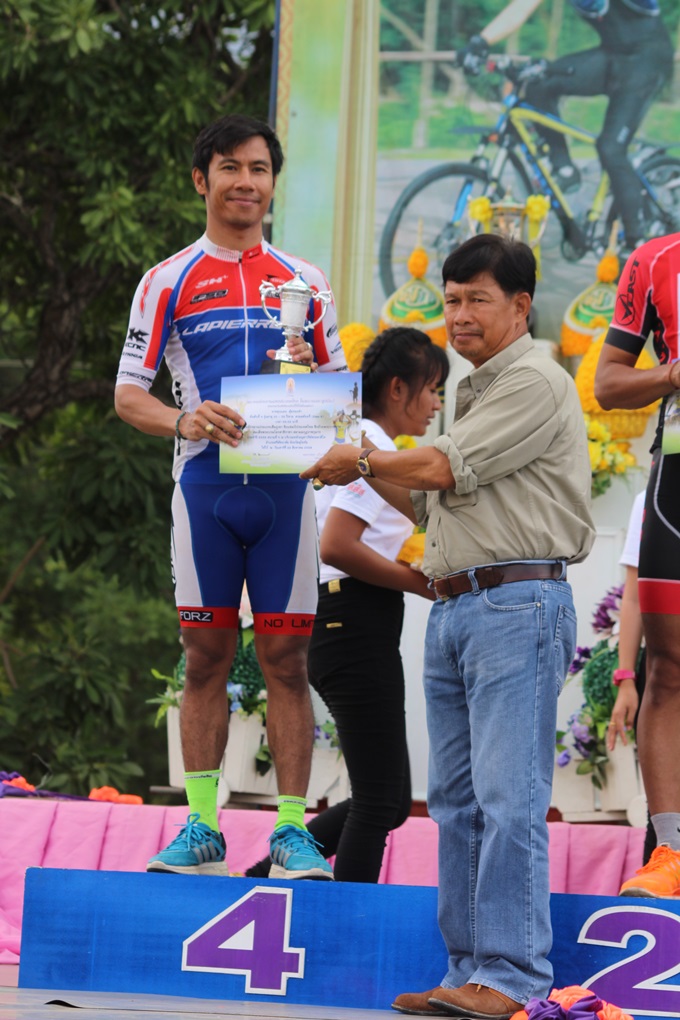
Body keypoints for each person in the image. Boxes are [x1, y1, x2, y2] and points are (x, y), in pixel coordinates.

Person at [303, 233, 595, 1017]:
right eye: (452, 300)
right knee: (457, 804)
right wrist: (351, 444)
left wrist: (362, 459)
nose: (460, 315)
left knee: (507, 799)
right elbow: (428, 502)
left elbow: (439, 467)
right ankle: (467, 971)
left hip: (516, 602)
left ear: (521, 306)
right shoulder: (470, 391)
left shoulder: (534, 379)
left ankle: (513, 976)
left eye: (478, 300)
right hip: (458, 603)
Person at [115, 113, 346, 880]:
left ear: (272, 183)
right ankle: (202, 826)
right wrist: (184, 418)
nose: (246, 182)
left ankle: (292, 831)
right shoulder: (168, 279)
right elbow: (127, 394)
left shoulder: (306, 281)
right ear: (201, 179)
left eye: (259, 168)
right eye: (230, 167)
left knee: (288, 659)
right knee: (204, 657)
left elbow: (339, 395)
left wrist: (319, 394)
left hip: (286, 495)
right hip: (205, 490)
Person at [246, 326, 449, 883]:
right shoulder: (371, 450)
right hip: (351, 620)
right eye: (432, 389)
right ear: (399, 389)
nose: (436, 404)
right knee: (381, 799)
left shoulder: (358, 440)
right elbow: (337, 544)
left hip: (349, 620)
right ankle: (341, 915)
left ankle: (262, 876)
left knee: (387, 798)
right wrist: (421, 583)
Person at [595, 231, 680, 897]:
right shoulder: (654, 260)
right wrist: (671, 374)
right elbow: (608, 383)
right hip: (676, 477)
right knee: (669, 669)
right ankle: (670, 853)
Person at [459, 0, 673, 251]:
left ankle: (637, 241)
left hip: (648, 60)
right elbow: (521, 7)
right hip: (612, 56)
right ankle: (564, 168)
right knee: (539, 84)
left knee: (611, 148)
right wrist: (480, 42)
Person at [606, 490, 656, 865]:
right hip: (666, 673)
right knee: (665, 805)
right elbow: (635, 595)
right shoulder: (651, 496)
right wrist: (626, 678)